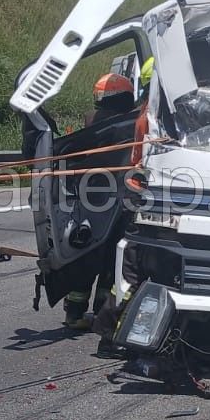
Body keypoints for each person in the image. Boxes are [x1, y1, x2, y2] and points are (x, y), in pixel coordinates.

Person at [63, 73, 136, 332]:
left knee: (85, 253)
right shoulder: (132, 123)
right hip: (119, 200)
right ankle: (104, 312)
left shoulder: (91, 121)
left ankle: (74, 313)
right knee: (112, 260)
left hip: (89, 199)